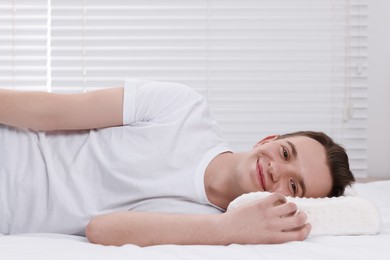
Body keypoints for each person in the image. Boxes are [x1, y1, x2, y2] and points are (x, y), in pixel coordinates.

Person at [0, 79, 355, 247]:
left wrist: (230, 229)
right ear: (267, 141)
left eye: (293, 186)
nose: (278, 170)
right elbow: (53, 112)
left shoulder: (208, 227)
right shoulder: (183, 108)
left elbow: (101, 229)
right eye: (285, 153)